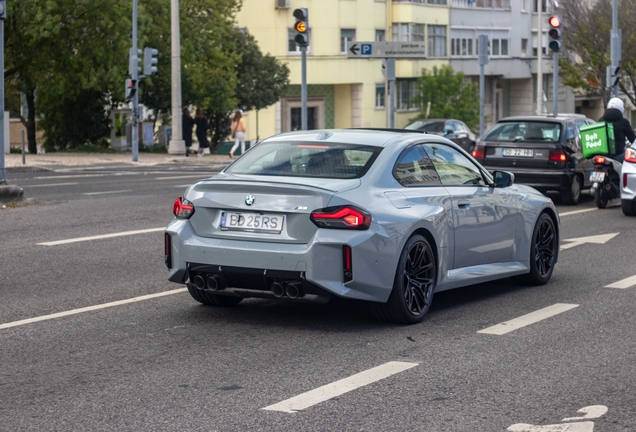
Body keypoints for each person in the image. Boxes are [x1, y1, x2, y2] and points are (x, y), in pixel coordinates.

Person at [599, 97, 635, 163]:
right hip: (618, 154)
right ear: (621, 108)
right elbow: (632, 138)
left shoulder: (601, 120)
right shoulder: (624, 122)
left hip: (603, 154)